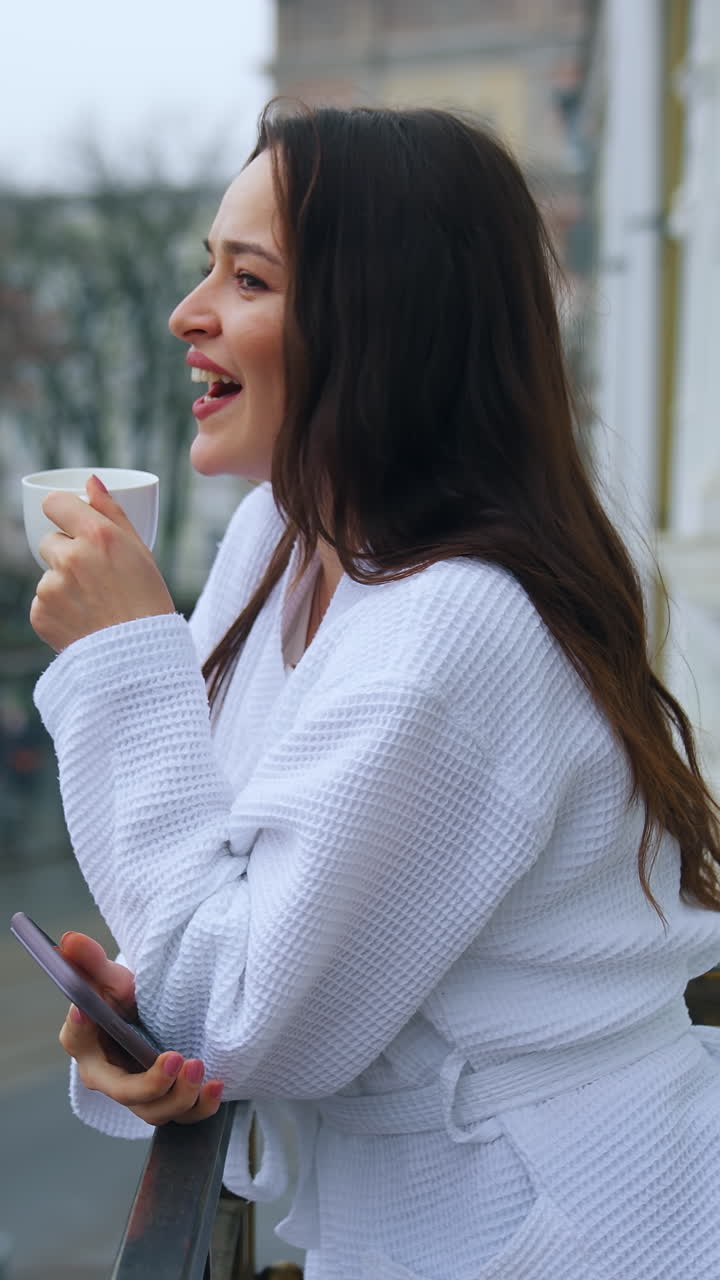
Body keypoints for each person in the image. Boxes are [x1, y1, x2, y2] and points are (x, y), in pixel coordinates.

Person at [29, 101, 720, 1280]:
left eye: (248, 279)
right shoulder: (277, 541)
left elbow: (236, 1001)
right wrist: (149, 1028)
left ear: (385, 323)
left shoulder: (459, 626)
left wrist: (120, 660)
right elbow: (243, 913)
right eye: (208, 268)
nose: (186, 314)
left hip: (561, 1226)